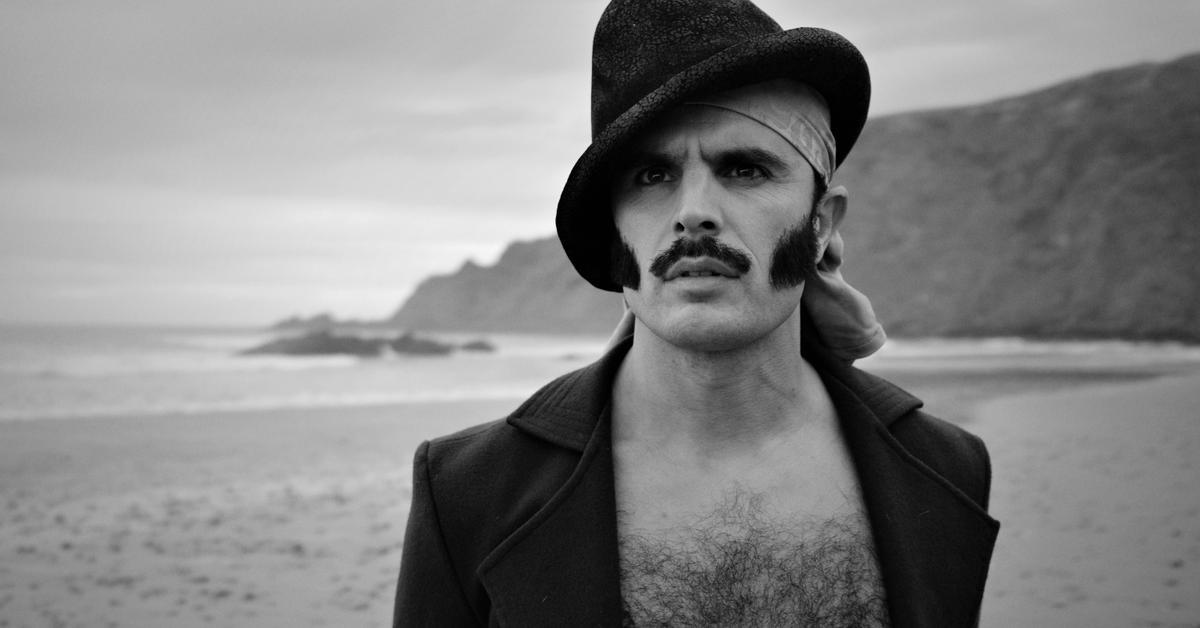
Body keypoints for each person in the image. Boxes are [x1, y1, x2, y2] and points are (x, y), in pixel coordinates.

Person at [394, 1, 999, 625]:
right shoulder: (469, 490)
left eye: (744, 169)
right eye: (652, 174)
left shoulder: (945, 467)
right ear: (614, 229)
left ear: (820, 225)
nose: (693, 213)